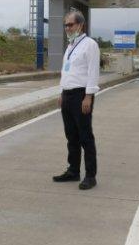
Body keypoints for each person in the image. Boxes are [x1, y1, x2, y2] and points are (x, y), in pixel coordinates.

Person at [52, 10, 101, 190]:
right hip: (67, 95)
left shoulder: (90, 45)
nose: (67, 28)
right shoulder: (71, 46)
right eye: (65, 25)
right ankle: (73, 170)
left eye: (70, 24)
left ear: (80, 25)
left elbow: (92, 72)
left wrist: (88, 96)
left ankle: (90, 175)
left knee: (85, 136)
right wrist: (61, 93)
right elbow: (66, 72)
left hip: (81, 95)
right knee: (71, 136)